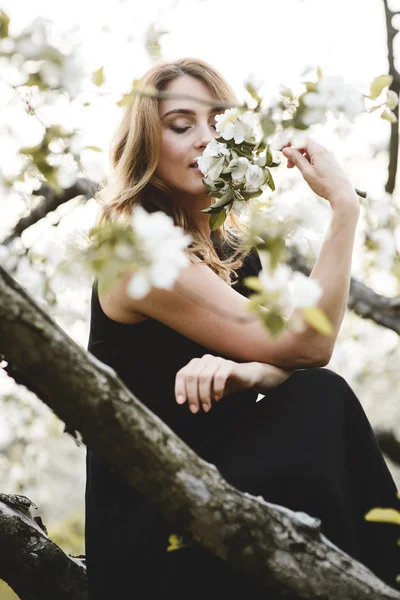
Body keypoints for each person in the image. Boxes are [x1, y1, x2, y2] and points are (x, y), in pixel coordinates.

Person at [84, 57, 400, 598]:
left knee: (321, 400)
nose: (207, 140)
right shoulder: (140, 252)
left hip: (223, 481)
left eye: (219, 124)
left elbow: (285, 362)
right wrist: (344, 208)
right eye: (183, 126)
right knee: (321, 399)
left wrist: (247, 373)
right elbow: (309, 344)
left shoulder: (230, 251)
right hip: (157, 521)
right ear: (145, 146)